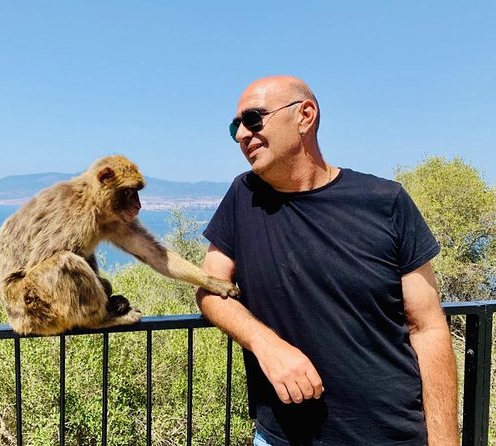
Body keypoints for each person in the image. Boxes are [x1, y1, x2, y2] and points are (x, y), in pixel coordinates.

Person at [196, 76, 459, 445]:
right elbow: (209, 289)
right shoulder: (244, 196)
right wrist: (265, 344)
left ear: (304, 116)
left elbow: (428, 328)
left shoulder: (385, 202)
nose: (242, 134)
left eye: (253, 119)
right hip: (281, 438)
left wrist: (445, 440)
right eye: (235, 126)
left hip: (390, 434)